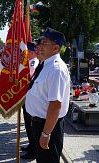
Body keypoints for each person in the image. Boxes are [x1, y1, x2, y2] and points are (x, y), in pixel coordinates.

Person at [25, 27, 70, 163]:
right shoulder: (46, 64)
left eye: (45, 43)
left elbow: (55, 105)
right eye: (41, 43)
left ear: (55, 48)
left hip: (48, 125)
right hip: (40, 123)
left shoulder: (56, 69)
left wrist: (46, 133)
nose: (40, 46)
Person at [21, 41, 42, 160]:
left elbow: (28, 79)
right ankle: (31, 144)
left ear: (33, 52)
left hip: (31, 99)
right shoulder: (30, 62)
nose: (25, 53)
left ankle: (34, 150)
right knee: (28, 125)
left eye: (27, 51)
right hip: (27, 98)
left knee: (31, 125)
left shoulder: (34, 63)